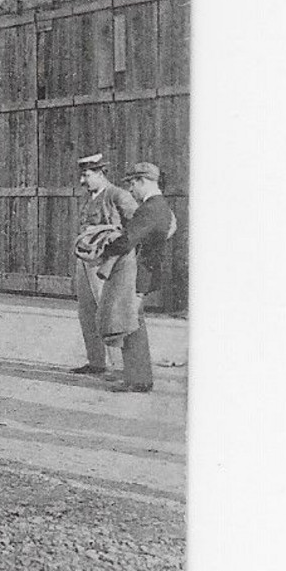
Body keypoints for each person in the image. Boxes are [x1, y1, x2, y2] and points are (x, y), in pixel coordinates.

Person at [96, 162, 177, 393]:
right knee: (134, 323)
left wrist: (103, 248)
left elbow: (128, 240)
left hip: (138, 274)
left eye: (132, 184)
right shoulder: (161, 207)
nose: (130, 190)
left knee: (130, 325)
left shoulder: (150, 208)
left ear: (143, 181)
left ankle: (138, 381)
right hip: (145, 272)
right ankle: (137, 377)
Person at [68, 152, 140, 376]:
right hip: (86, 261)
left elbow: (137, 227)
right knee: (87, 311)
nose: (82, 181)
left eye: (87, 175)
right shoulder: (90, 197)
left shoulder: (118, 195)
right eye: (82, 175)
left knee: (110, 312)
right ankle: (97, 362)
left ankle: (120, 367)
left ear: (101, 173)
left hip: (107, 263)